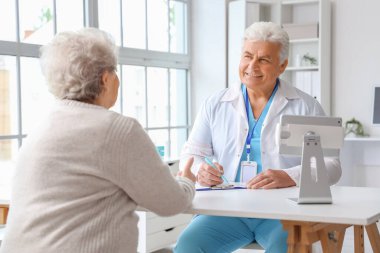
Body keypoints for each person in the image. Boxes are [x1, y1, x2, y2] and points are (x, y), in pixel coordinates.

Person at [0, 28, 196, 253]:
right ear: (105, 78)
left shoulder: (41, 128)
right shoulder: (118, 130)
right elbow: (170, 203)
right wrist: (187, 181)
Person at [174, 22, 341, 253]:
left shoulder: (306, 106)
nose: (252, 66)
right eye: (247, 56)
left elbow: (332, 166)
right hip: (228, 210)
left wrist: (289, 176)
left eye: (264, 59)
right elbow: (190, 155)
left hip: (282, 212)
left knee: (288, 249)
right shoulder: (215, 103)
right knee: (188, 246)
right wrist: (202, 169)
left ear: (282, 65)